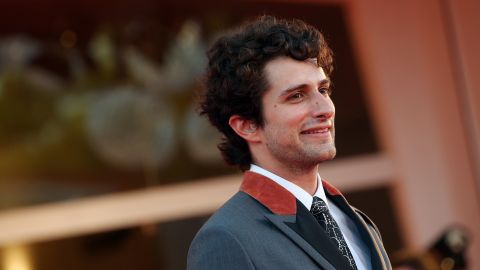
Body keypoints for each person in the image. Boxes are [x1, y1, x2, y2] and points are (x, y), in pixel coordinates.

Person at [187, 15, 391, 270]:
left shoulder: (358, 222)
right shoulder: (225, 238)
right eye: (296, 96)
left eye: (323, 90)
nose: (325, 108)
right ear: (247, 126)